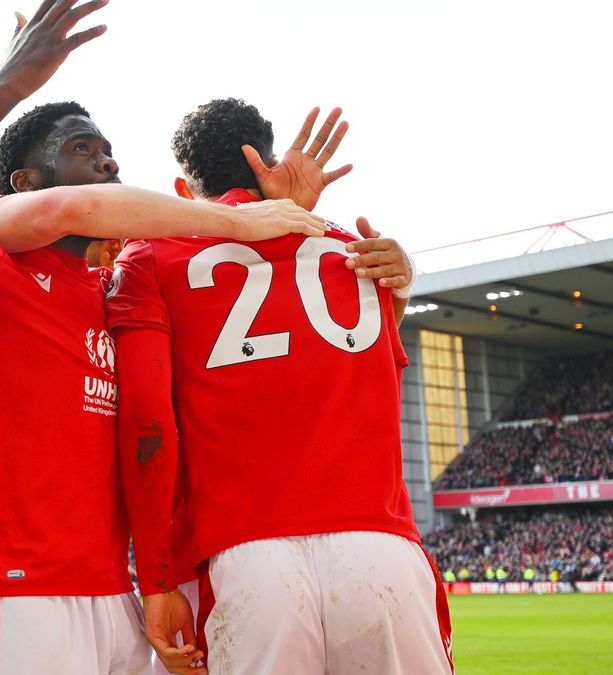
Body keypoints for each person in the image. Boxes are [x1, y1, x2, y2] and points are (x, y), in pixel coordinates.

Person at [0, 3, 336, 673]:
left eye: (110, 153)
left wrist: (304, 231)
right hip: (16, 595)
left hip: (114, 593)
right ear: (24, 183)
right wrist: (6, 88)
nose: (108, 164)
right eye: (83, 149)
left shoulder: (119, 291)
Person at [108, 97, 451, 674]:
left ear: (182, 188)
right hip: (380, 547)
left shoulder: (151, 256)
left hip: (246, 556)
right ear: (267, 159)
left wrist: (159, 576)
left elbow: (148, 420)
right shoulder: (359, 250)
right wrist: (403, 285)